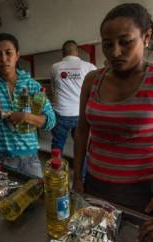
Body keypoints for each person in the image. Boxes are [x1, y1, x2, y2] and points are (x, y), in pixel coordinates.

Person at [73, 3, 153, 213]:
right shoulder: (93, 80)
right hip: (95, 182)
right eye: (107, 45)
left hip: (142, 191)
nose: (115, 52)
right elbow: (82, 130)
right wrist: (77, 176)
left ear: (146, 37)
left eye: (125, 42)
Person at [0, 33, 55, 177]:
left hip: (30, 159)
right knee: (4, 199)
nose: (4, 59)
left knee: (34, 198)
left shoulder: (32, 86)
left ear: (17, 55)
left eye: (8, 53)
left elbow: (50, 121)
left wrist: (26, 117)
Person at [50, 40, 96, 153]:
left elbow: (53, 90)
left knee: (57, 144)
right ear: (77, 52)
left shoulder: (54, 67)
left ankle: (55, 169)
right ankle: (80, 170)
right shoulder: (90, 67)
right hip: (81, 114)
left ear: (63, 53)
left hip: (61, 113)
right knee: (82, 146)